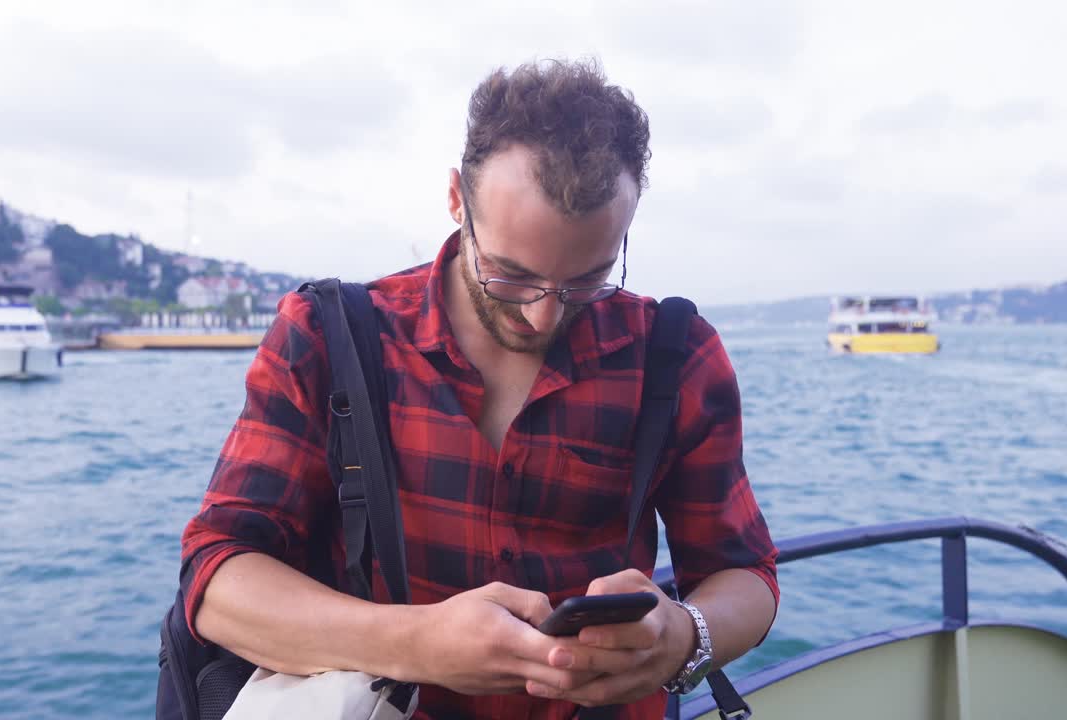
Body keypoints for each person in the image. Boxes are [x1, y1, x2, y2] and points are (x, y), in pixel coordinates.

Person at [179, 58, 779, 720]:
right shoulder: (329, 337)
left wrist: (681, 638)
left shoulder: (677, 355)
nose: (543, 315)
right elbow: (217, 579)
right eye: (510, 275)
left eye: (587, 279)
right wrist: (417, 643)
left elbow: (746, 574)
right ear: (456, 200)